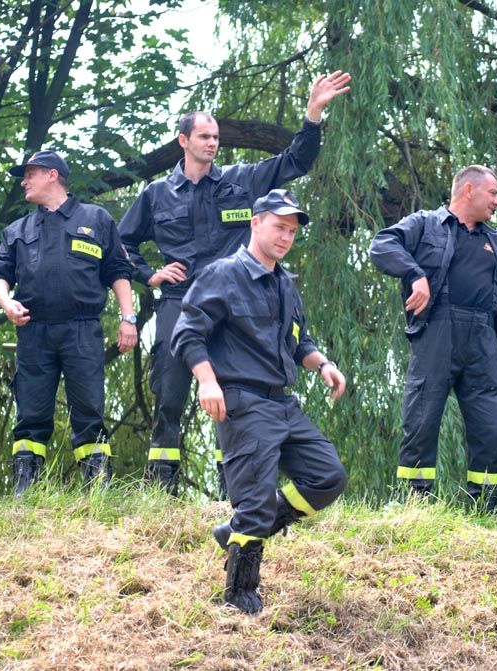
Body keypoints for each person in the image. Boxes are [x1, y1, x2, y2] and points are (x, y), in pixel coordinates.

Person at [119, 71, 352, 495]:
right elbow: (121, 242)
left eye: (216, 138)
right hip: (179, 301)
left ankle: (231, 486)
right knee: (169, 392)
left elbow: (294, 162)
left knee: (234, 394)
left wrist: (313, 115)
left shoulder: (240, 181)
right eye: (204, 137)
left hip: (233, 304)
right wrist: (149, 274)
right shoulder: (156, 194)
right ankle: (161, 488)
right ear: (183, 141)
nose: (212, 143)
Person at [171, 189, 348, 614]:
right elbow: (187, 334)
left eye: (292, 231)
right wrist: (207, 382)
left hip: (283, 404)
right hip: (243, 402)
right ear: (255, 224)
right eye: (279, 227)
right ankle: (239, 595)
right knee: (254, 501)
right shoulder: (223, 275)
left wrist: (323, 364)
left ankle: (238, 529)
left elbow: (298, 341)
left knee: (328, 476)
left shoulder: (286, 284)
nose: (286, 237)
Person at [369, 165, 497, 511]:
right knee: (422, 416)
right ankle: (414, 501)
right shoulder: (425, 224)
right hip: (437, 331)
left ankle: (487, 504)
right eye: (493, 193)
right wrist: (415, 275)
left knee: (488, 424)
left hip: (483, 338)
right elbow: (382, 245)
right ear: (469, 190)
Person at [0, 151, 137, 495]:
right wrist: (7, 303)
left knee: (89, 409)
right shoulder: (17, 230)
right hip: (33, 330)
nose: (24, 182)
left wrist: (128, 318)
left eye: (30, 174)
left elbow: (118, 270)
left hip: (82, 329)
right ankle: (26, 487)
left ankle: (97, 488)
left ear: (52, 175)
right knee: (30, 412)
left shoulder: (96, 219)